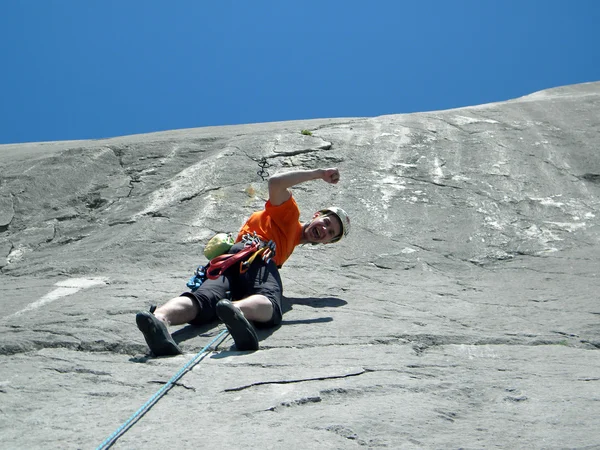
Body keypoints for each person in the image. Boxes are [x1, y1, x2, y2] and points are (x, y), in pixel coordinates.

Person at [136, 167, 351, 355]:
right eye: (325, 222)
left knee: (203, 299)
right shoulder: (289, 216)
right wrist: (319, 174)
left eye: (330, 232)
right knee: (273, 305)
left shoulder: (291, 241)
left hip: (230, 261)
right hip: (258, 255)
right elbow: (275, 182)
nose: (323, 229)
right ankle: (237, 310)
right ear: (316, 215)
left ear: (327, 242)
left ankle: (160, 318)